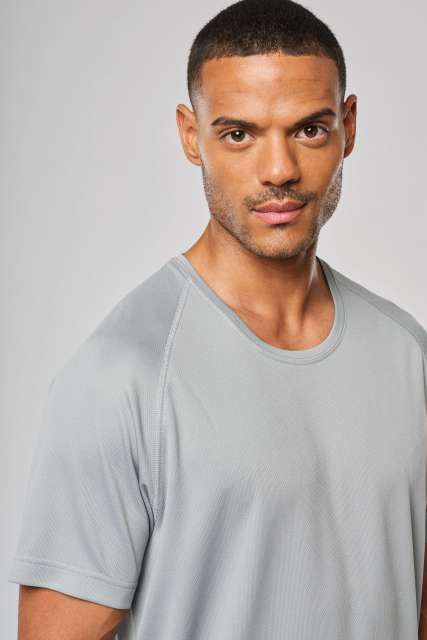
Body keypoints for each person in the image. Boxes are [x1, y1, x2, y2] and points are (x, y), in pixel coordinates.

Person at [8, 0, 427, 638]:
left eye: (309, 130)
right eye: (239, 135)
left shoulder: (408, 356)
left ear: (348, 126)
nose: (279, 170)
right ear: (190, 135)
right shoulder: (121, 377)